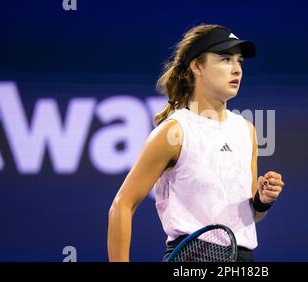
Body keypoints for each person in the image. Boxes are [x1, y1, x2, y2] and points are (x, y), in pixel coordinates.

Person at [107, 24, 284, 262]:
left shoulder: (247, 130)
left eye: (239, 61)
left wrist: (262, 201)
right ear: (197, 66)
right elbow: (122, 205)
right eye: (225, 59)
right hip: (193, 259)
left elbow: (250, 216)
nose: (236, 69)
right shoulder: (175, 132)